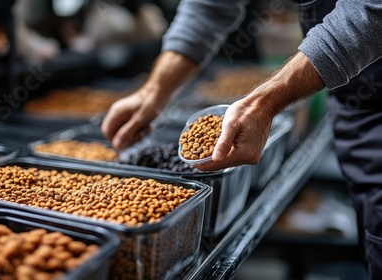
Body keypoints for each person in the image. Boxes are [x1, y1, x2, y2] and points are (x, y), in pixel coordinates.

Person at [101, 0, 382, 278]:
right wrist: (153, 92)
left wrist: (265, 103)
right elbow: (209, 7)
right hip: (353, 97)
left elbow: (372, 9)